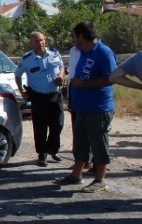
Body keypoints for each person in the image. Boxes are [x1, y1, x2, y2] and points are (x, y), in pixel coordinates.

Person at [55, 21, 116, 193]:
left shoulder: (103, 53)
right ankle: (76, 175)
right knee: (80, 143)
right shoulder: (83, 53)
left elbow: (110, 78)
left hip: (98, 108)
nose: (73, 40)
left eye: (74, 36)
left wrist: (85, 84)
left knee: (98, 144)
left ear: (82, 36)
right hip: (81, 107)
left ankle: (100, 179)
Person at [15, 31, 66, 167]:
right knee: (40, 127)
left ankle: (53, 149)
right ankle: (42, 153)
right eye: (37, 41)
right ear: (31, 43)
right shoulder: (26, 59)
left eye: (42, 40)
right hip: (38, 97)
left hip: (55, 95)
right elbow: (17, 75)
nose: (40, 43)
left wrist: (61, 76)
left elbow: (61, 66)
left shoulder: (54, 53)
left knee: (58, 125)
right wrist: (22, 92)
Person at [67, 31, 94, 171]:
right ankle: (81, 161)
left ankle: (92, 162)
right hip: (74, 92)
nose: (72, 39)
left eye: (74, 36)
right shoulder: (73, 51)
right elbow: (71, 73)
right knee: (77, 128)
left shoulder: (91, 52)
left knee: (90, 130)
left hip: (87, 94)